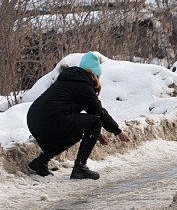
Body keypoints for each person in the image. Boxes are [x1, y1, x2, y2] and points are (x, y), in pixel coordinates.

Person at [27, 51, 131, 180]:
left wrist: (96, 133)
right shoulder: (83, 84)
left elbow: (73, 112)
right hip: (51, 119)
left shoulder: (70, 80)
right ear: (95, 74)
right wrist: (118, 131)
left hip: (35, 120)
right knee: (96, 121)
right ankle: (80, 167)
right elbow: (98, 112)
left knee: (75, 134)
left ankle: (41, 161)